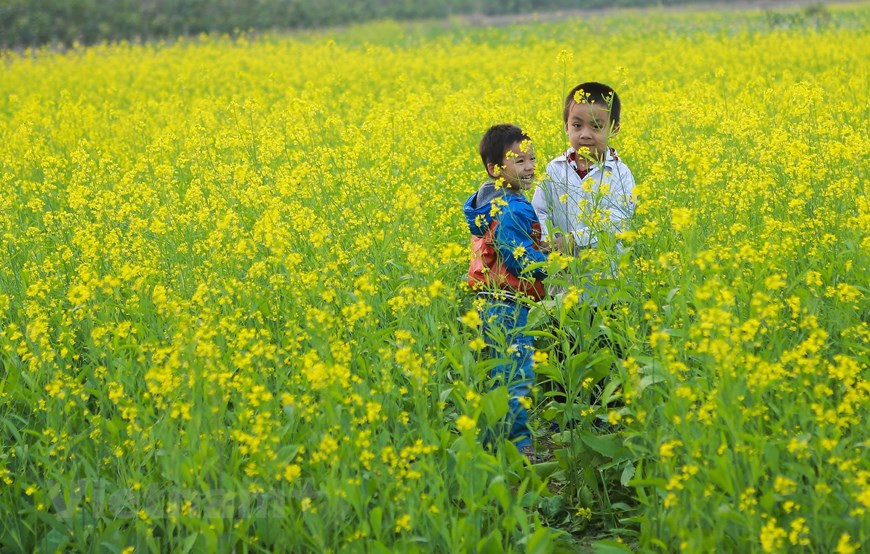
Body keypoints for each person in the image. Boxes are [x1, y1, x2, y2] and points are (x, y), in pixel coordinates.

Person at [463, 124, 548, 462]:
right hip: (509, 305)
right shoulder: (511, 207)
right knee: (517, 376)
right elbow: (519, 258)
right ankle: (519, 447)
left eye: (532, 159)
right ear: (495, 170)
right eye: (519, 161)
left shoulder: (492, 202)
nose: (529, 167)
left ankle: (494, 443)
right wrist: (553, 264)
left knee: (501, 374)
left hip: (491, 303)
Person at [532, 81, 635, 292]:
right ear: (566, 127)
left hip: (603, 285)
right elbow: (539, 210)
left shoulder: (619, 173)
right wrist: (546, 241)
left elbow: (619, 221)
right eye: (577, 126)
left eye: (596, 126)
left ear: (614, 129)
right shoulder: (554, 169)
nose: (585, 134)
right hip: (561, 282)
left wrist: (573, 241)